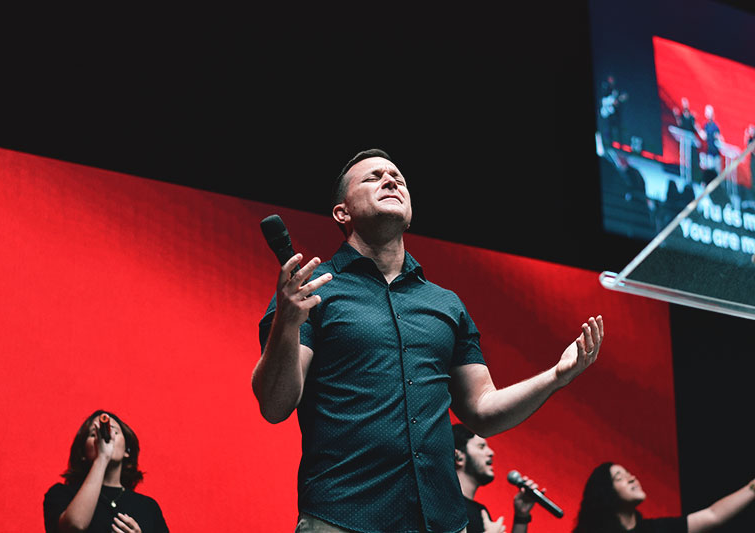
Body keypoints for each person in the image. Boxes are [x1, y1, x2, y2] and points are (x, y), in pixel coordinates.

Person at [253, 148, 604, 533]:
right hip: (343, 517)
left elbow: (483, 411)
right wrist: (287, 322)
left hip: (442, 522)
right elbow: (275, 404)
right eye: (373, 177)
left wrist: (556, 376)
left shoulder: (446, 304)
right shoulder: (310, 294)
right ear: (342, 212)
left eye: (398, 178)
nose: (391, 181)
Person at [43, 409, 169, 533]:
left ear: (127, 451)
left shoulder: (148, 507)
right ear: (83, 453)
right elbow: (75, 526)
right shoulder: (62, 494)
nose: (106, 438)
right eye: (94, 434)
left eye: (114, 432)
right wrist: (102, 457)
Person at [572, 462, 755, 533]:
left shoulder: (657, 529)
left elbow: (713, 515)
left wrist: (752, 488)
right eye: (620, 477)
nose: (632, 478)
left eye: (629, 473)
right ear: (605, 493)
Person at [452, 423, 540, 533]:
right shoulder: (445, 505)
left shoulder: (480, 511)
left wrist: (521, 517)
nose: (491, 452)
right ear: (458, 457)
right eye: (481, 446)